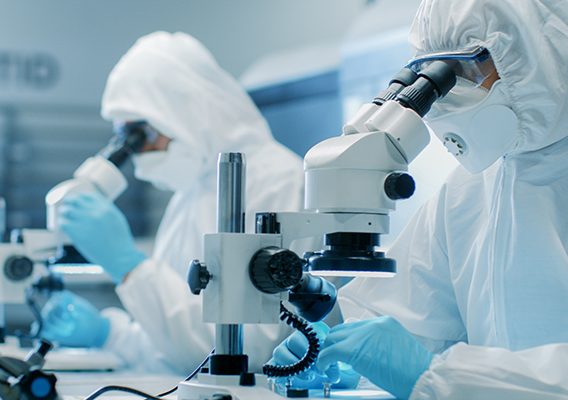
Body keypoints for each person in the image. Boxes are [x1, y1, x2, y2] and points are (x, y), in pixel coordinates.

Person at [272, 0, 568, 398]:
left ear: (542, 48)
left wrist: (433, 375)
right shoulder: (469, 190)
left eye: (465, 69)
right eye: (431, 73)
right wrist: (335, 352)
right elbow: (402, 319)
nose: (446, 97)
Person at [39, 31, 305, 373]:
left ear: (188, 112)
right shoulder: (190, 195)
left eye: (143, 135)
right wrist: (108, 334)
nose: (138, 153)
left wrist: (132, 268)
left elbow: (250, 350)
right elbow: (170, 351)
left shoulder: (277, 182)